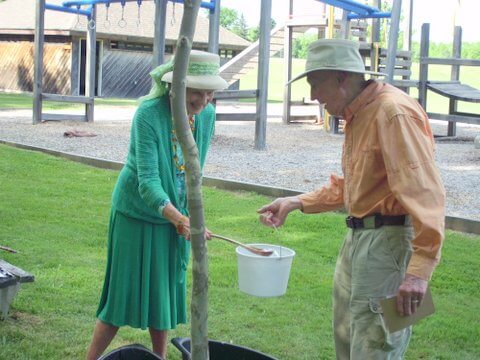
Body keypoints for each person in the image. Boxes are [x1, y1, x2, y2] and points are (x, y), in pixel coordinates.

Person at [258, 39, 445, 359]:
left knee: (375, 344)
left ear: (342, 78)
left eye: (316, 83)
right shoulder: (359, 113)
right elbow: (355, 186)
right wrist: (296, 201)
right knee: (348, 338)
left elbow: (425, 193)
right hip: (359, 238)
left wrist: (418, 273)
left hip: (388, 245)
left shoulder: (392, 113)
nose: (313, 95)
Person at [86, 50, 228, 360]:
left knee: (162, 296)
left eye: (210, 92)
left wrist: (187, 216)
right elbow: (147, 182)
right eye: (196, 92)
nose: (204, 100)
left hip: (173, 218)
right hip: (135, 214)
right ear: (175, 86)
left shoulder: (207, 116)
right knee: (120, 297)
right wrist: (180, 219)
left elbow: (193, 170)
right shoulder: (148, 114)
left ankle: (159, 358)